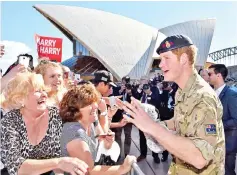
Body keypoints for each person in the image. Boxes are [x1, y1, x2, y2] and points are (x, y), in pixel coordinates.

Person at [122, 35, 225, 174]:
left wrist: (152, 127)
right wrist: (149, 120)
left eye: (166, 58)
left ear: (183, 59)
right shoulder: (182, 91)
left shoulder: (202, 96)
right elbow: (178, 122)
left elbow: (200, 158)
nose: (160, 64)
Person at [1, 72, 88, 175]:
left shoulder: (55, 116)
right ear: (21, 99)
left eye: (44, 90)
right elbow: (16, 166)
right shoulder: (10, 121)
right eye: (38, 91)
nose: (44, 95)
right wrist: (58, 163)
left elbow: (62, 156)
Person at [59, 83, 136, 175]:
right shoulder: (74, 132)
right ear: (75, 109)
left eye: (95, 102)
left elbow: (99, 141)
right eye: (89, 104)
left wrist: (107, 143)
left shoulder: (90, 124)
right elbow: (89, 170)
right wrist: (122, 168)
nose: (95, 106)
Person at [208, 64, 237, 175]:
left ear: (219, 75)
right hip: (212, 142)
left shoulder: (231, 94)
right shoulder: (211, 93)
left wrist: (216, 125)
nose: (208, 76)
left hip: (227, 143)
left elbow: (236, 119)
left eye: (210, 74)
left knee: (227, 172)